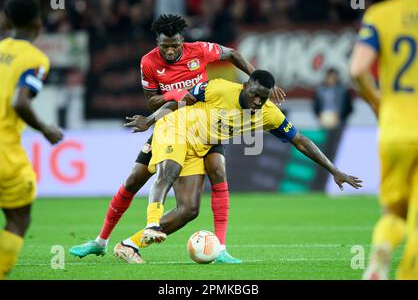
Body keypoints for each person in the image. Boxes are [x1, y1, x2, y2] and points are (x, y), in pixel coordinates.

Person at [69, 14, 286, 264]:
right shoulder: (148, 62)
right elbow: (152, 101)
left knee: (217, 171)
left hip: (205, 125)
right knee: (133, 181)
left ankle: (221, 247)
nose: (170, 50)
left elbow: (233, 53)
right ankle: (100, 242)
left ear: (183, 40)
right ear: (157, 42)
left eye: (175, 45)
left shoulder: (200, 50)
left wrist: (254, 78)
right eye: (165, 46)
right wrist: (178, 93)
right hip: (170, 125)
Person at [116, 70, 362, 263]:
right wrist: (149, 120)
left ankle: (129, 245)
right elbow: (178, 100)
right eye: (254, 94)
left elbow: (300, 140)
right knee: (168, 171)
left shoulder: (269, 114)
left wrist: (334, 170)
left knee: (189, 210)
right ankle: (151, 223)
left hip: (199, 147)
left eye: (263, 98)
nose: (257, 101)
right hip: (175, 129)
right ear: (246, 86)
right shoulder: (219, 88)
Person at [350, 0, 418, 280]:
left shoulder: (380, 13)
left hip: (394, 130)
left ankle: (381, 250)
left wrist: (381, 105)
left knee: (393, 213)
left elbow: (357, 70)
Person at [0, 0, 64, 279]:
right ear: (39, 23)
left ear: (7, 21)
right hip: (5, 151)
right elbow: (20, 102)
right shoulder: (36, 58)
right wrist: (46, 129)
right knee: (18, 217)